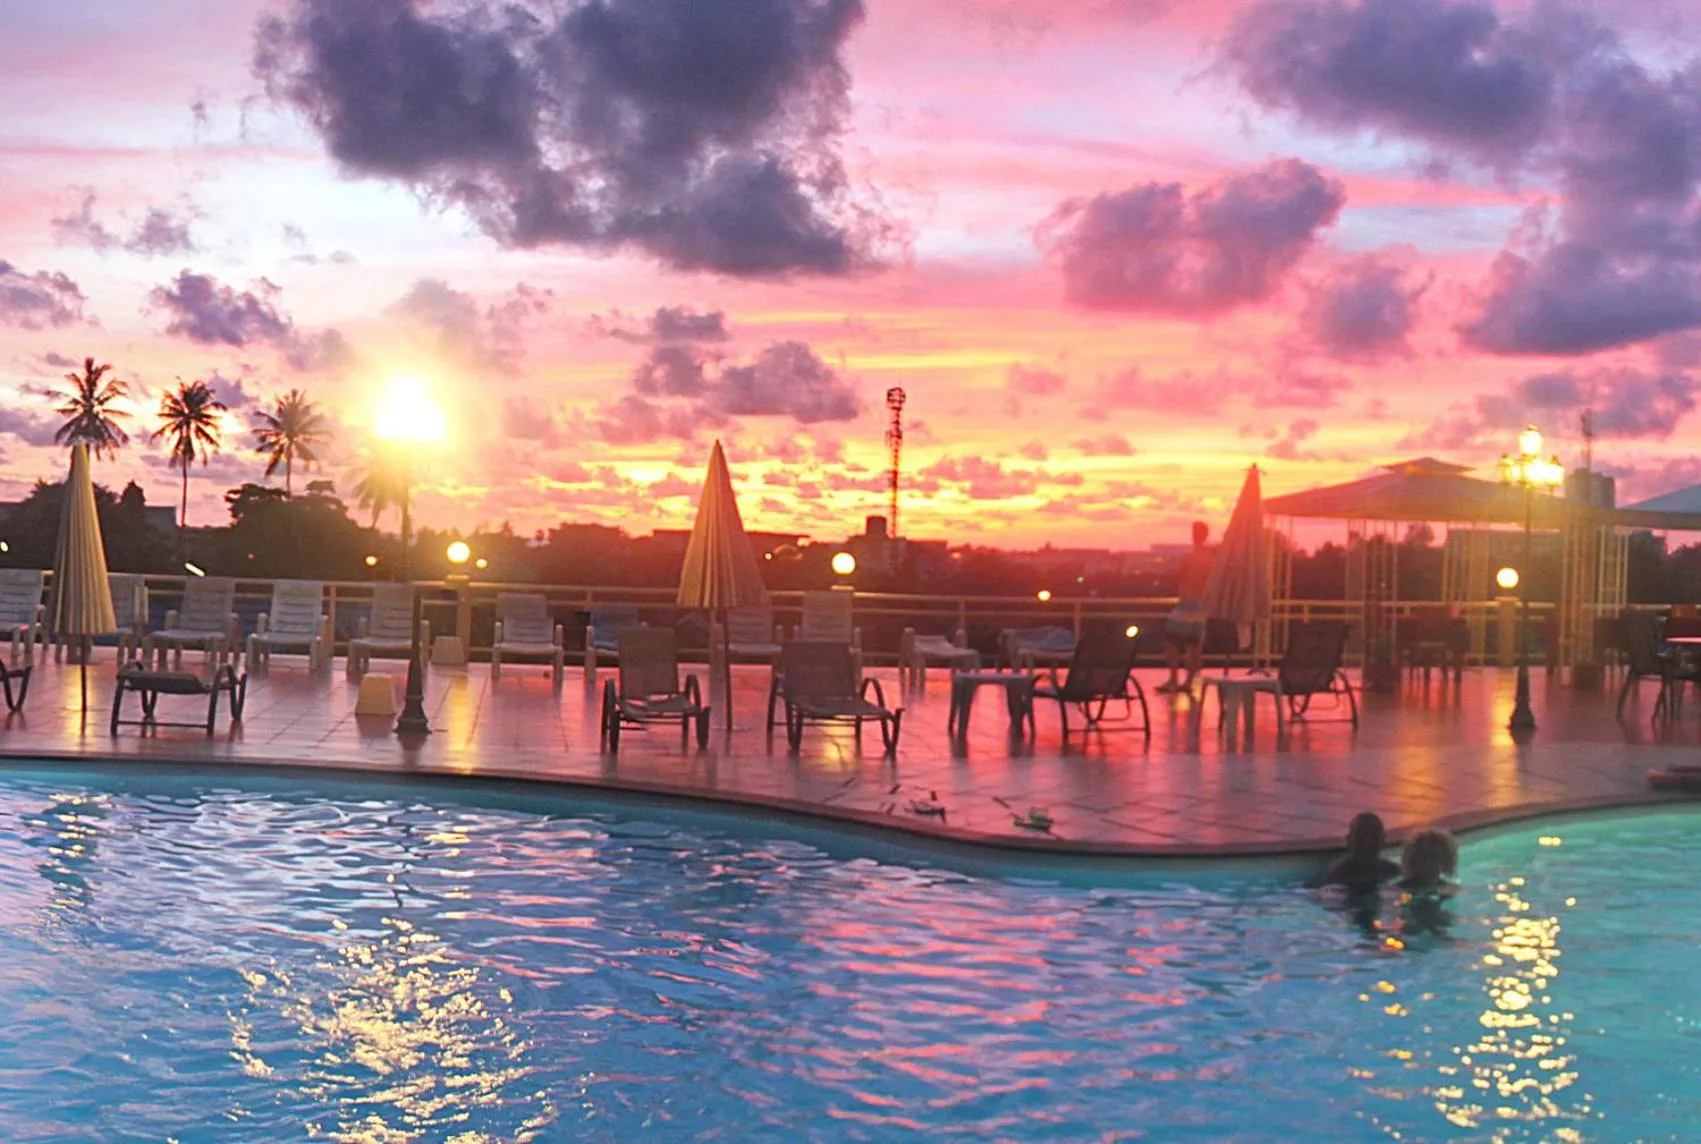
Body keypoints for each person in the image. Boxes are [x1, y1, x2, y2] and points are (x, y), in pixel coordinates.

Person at [1158, 521, 1214, 693]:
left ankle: (1174, 679)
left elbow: (1178, 576)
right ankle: (1188, 682)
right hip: (1203, 606)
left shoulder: (1188, 558)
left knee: (1171, 641)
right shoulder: (1211, 558)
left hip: (1187, 603)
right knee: (1193, 644)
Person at [1324, 811, 1401, 890]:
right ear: (1348, 840)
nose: (1368, 843)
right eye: (1361, 837)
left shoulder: (1393, 871)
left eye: (1373, 838)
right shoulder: (1339, 874)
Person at [1399, 829, 1459, 895]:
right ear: (1412, 859)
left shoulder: (1451, 890)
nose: (1428, 862)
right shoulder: (1398, 892)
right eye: (1423, 855)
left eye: (1434, 856)